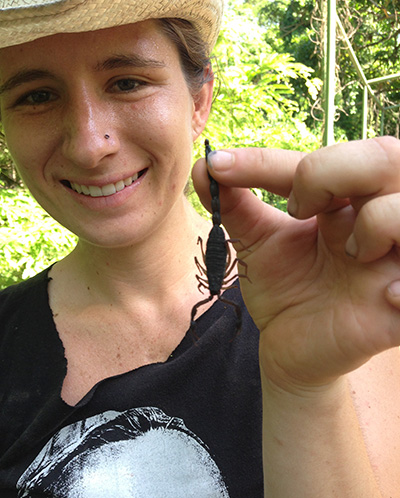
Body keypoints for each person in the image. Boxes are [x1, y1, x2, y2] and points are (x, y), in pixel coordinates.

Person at [0, 0, 400, 497]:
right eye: (37, 95)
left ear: (199, 102)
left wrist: (307, 387)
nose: (89, 145)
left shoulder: (337, 302)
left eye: (127, 82)